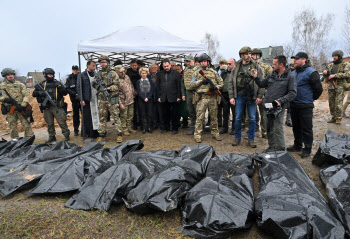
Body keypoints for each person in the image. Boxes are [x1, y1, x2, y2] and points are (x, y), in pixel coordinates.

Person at [252, 55, 297, 152]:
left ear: (281, 65)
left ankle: (280, 149)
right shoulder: (272, 75)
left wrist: (280, 101)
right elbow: (262, 84)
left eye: (274, 64)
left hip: (278, 107)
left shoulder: (290, 77)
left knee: (277, 128)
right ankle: (272, 147)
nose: (272, 66)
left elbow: (292, 93)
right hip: (268, 105)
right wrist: (256, 77)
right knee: (269, 126)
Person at [287, 52, 323, 158]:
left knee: (307, 128)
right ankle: (297, 145)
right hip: (294, 104)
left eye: (297, 59)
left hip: (305, 105)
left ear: (304, 60)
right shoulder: (293, 73)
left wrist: (311, 98)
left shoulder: (312, 72)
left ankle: (307, 149)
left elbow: (318, 89)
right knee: (296, 127)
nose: (295, 61)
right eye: (294, 59)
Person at [229, 46, 264, 148]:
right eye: (246, 54)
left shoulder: (256, 66)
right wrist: (231, 96)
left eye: (249, 53)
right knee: (238, 117)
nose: (248, 55)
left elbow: (261, 82)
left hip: (252, 96)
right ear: (241, 55)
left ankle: (251, 139)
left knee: (252, 118)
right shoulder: (237, 67)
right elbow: (231, 82)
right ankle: (237, 138)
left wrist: (260, 96)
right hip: (239, 95)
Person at [190, 53, 223, 143]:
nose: (203, 63)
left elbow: (221, 83)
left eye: (205, 61)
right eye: (202, 62)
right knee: (200, 117)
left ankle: (215, 134)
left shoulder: (214, 72)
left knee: (213, 117)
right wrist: (201, 81)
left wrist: (215, 87)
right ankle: (197, 135)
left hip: (212, 97)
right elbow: (191, 84)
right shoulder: (196, 72)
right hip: (202, 98)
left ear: (208, 62)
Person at [33, 68, 70, 143]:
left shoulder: (57, 83)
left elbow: (65, 93)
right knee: (49, 123)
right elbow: (34, 93)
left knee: (62, 122)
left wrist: (60, 87)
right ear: (46, 75)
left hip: (57, 107)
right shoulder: (42, 84)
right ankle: (52, 136)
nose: (51, 76)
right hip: (47, 107)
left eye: (52, 75)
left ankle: (66, 135)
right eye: (49, 75)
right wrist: (40, 93)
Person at [94, 55, 123, 143]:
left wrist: (109, 88)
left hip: (111, 98)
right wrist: (98, 87)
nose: (103, 64)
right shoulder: (98, 73)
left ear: (107, 62)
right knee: (102, 117)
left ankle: (119, 134)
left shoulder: (113, 73)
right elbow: (94, 84)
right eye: (101, 62)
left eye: (104, 62)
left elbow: (118, 85)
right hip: (102, 99)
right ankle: (101, 135)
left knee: (116, 116)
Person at [0, 68, 34, 139]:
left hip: (21, 108)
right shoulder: (1, 86)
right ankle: (15, 141)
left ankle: (28, 140)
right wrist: (4, 99)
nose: (10, 76)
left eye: (12, 74)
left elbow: (26, 95)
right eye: (8, 75)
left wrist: (23, 105)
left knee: (27, 125)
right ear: (5, 76)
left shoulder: (20, 85)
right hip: (10, 110)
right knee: (13, 127)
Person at [323, 50, 350, 124]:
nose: (334, 57)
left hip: (340, 86)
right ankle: (333, 117)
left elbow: (347, 74)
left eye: (335, 56)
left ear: (340, 56)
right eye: (333, 56)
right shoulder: (330, 65)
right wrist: (325, 73)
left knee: (338, 103)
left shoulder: (345, 64)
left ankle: (338, 118)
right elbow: (325, 76)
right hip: (331, 86)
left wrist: (335, 75)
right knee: (331, 103)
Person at [251, 48, 273, 138]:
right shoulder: (250, 67)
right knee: (251, 116)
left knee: (266, 115)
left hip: (265, 96)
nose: (251, 57)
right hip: (253, 95)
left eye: (253, 55)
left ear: (258, 56)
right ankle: (251, 133)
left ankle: (266, 133)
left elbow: (272, 81)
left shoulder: (266, 67)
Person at [157, 59, 181, 134]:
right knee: (165, 113)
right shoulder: (160, 74)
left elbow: (178, 85)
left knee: (174, 114)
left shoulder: (176, 73)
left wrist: (178, 96)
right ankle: (166, 128)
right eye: (164, 66)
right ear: (162, 66)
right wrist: (159, 96)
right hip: (164, 97)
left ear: (170, 65)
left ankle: (175, 128)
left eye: (167, 66)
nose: (166, 67)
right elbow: (158, 86)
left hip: (173, 96)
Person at [77, 60, 99, 139]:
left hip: (95, 98)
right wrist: (81, 99)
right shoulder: (82, 75)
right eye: (93, 65)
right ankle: (88, 133)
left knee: (96, 115)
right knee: (88, 117)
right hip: (86, 99)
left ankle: (96, 132)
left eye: (95, 65)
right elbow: (79, 88)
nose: (94, 67)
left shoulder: (95, 74)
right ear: (88, 66)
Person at [116, 65, 136, 136]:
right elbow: (116, 93)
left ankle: (129, 127)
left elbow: (131, 86)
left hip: (130, 100)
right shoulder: (116, 80)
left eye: (123, 71)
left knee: (130, 115)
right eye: (121, 72)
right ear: (117, 72)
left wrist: (133, 95)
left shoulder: (127, 77)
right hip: (123, 101)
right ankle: (124, 129)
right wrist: (120, 103)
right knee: (123, 116)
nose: (123, 73)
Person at [183, 55, 200, 135]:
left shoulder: (198, 69)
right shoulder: (185, 70)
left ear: (193, 61)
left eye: (189, 61)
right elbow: (183, 83)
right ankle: (193, 128)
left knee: (198, 111)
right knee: (191, 112)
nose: (187, 63)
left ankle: (199, 129)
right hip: (189, 92)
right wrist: (183, 94)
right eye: (186, 61)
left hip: (196, 92)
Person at [218, 58, 236, 134]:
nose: (228, 65)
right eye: (227, 64)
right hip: (224, 95)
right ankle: (225, 128)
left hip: (234, 96)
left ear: (234, 64)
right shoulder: (224, 73)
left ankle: (234, 129)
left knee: (235, 113)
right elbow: (220, 82)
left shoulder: (236, 73)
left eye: (230, 64)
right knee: (225, 112)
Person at [136, 67, 154, 134]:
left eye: (145, 73)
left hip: (149, 99)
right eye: (142, 73)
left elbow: (152, 90)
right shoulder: (138, 81)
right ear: (140, 74)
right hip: (141, 99)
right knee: (142, 114)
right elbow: (138, 91)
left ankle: (149, 127)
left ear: (147, 73)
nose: (144, 74)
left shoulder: (150, 81)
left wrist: (148, 97)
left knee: (149, 113)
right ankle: (143, 128)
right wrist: (143, 98)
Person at [65, 65, 81, 136]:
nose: (75, 71)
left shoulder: (81, 76)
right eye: (74, 69)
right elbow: (67, 88)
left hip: (82, 99)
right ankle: (76, 130)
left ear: (78, 70)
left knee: (85, 114)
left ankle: (85, 129)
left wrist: (80, 95)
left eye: (76, 69)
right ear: (72, 70)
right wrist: (75, 94)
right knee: (76, 115)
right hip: (74, 99)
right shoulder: (69, 78)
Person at [126, 59, 140, 130]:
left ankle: (140, 122)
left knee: (140, 108)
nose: (134, 67)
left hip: (139, 92)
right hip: (131, 93)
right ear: (131, 65)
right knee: (133, 109)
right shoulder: (128, 72)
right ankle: (134, 123)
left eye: (135, 65)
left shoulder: (140, 71)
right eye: (133, 65)